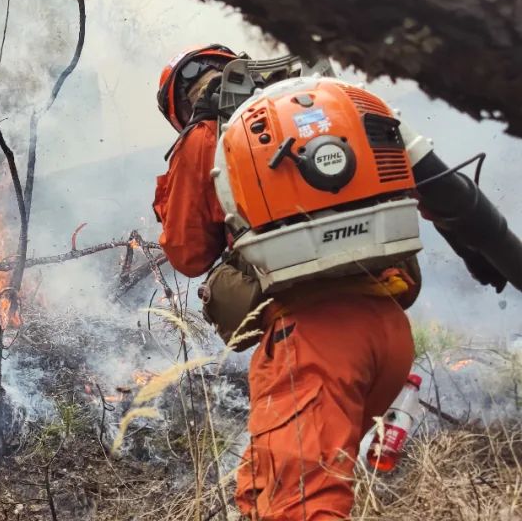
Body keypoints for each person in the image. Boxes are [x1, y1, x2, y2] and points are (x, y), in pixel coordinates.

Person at [152, 45, 418, 519]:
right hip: (387, 326)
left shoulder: (208, 132)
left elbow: (188, 254)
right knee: (261, 489)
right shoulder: (332, 104)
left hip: (311, 342)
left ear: (181, 105)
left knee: (302, 506)